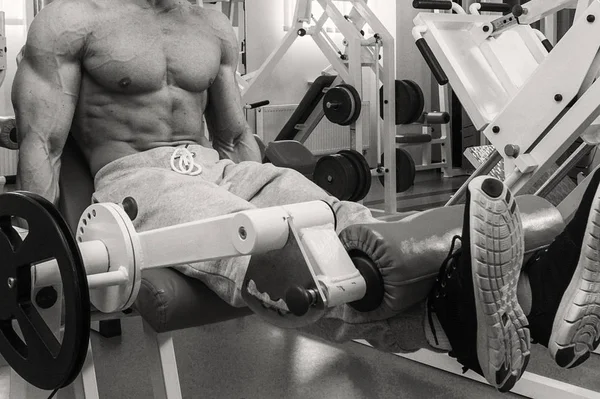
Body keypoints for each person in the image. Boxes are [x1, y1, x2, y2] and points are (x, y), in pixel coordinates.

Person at [10, 0, 600, 392]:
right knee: (277, 251)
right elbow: (44, 142)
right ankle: (482, 308)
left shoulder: (211, 24)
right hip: (138, 183)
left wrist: (272, 194)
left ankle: (534, 296)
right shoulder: (71, 20)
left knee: (337, 216)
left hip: (220, 168)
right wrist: (34, 261)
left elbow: (237, 135)